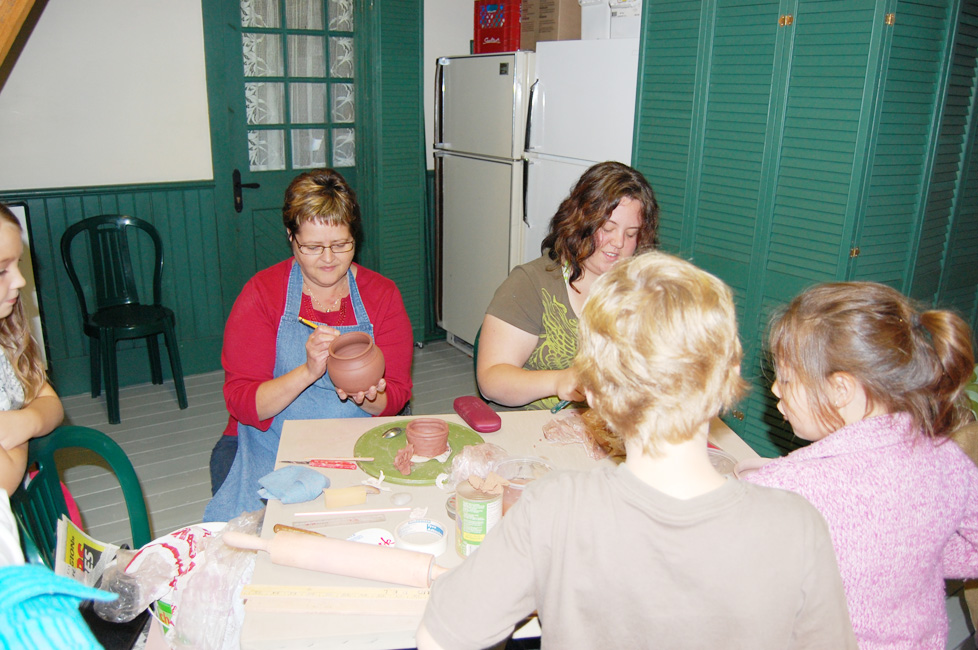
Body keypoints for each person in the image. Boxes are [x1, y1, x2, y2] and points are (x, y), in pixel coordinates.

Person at [417, 252, 856, 649]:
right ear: (729, 376)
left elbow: (439, 637)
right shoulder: (797, 526)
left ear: (595, 391)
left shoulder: (553, 508)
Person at [741, 282, 978, 649]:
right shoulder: (947, 457)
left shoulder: (786, 488)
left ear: (841, 390)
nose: (775, 390)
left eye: (786, 379)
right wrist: (910, 551)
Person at [205, 169, 413, 521]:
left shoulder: (382, 295)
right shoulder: (262, 294)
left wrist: (369, 395)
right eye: (313, 247)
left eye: (341, 244)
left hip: (356, 444)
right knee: (260, 541)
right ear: (291, 238)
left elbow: (395, 397)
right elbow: (241, 401)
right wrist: (308, 371)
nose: (329, 258)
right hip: (269, 443)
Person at [476, 161, 659, 410]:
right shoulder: (530, 284)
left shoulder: (641, 292)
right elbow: (492, 380)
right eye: (608, 228)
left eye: (631, 234)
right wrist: (559, 380)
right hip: (535, 430)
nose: (618, 242)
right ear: (580, 222)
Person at [0, 203, 64, 497]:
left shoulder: (7, 339)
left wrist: (25, 421)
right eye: (2, 270)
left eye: (18, 264)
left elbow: (51, 404)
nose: (21, 280)